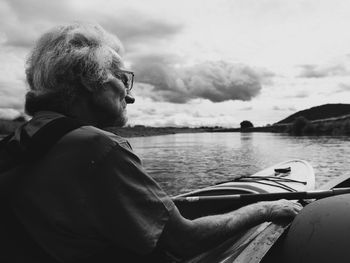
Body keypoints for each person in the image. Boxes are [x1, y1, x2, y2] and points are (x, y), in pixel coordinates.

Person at [1, 22, 302, 262]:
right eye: (122, 78)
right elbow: (186, 241)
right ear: (87, 80)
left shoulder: (21, 140)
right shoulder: (99, 147)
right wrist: (264, 210)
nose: (130, 95)